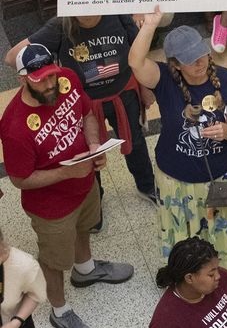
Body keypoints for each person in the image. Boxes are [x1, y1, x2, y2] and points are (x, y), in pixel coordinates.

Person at [0, 50, 135, 328]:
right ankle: (60, 311)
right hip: (51, 207)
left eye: (52, 75)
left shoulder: (68, 80)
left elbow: (86, 113)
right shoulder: (14, 127)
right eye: (40, 80)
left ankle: (85, 269)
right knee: (53, 260)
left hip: (84, 183)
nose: (50, 84)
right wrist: (66, 174)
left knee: (85, 226)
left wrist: (94, 144)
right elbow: (20, 179)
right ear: (23, 79)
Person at [128, 12, 227, 281]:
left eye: (201, 55)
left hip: (224, 173)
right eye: (190, 61)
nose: (199, 63)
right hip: (178, 180)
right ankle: (188, 277)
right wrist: (151, 25)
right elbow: (135, 61)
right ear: (175, 64)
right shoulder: (163, 80)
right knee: (187, 235)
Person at [5, 14, 158, 220]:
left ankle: (147, 186)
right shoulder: (59, 25)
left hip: (123, 93)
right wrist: (36, 80)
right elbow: (11, 57)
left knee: (136, 142)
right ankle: (95, 202)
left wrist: (145, 87)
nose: (87, 14)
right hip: (85, 101)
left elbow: (138, 53)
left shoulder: (117, 13)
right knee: (87, 152)